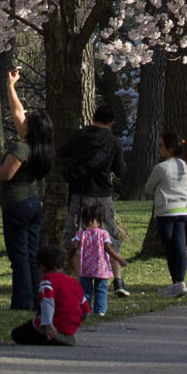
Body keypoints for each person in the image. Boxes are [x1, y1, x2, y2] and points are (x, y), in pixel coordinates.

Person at [0, 71, 55, 310]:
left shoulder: (22, 148)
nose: (22, 120)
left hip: (17, 205)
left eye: (27, 122)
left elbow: (5, 174)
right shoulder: (42, 148)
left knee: (19, 255)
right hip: (33, 204)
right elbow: (17, 112)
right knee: (32, 254)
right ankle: (35, 298)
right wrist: (11, 85)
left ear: (31, 129)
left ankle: (22, 301)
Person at [57, 101, 131, 297]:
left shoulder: (78, 135)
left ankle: (80, 280)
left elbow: (60, 153)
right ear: (111, 123)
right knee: (110, 235)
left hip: (79, 192)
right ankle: (118, 280)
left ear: (94, 118)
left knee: (73, 236)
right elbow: (121, 170)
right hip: (102, 194)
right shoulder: (113, 141)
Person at [143, 130, 187, 298]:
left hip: (165, 212)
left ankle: (176, 283)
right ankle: (181, 281)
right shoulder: (183, 165)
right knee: (180, 247)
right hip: (182, 210)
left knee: (170, 249)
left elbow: (148, 188)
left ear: (170, 149)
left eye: (161, 146)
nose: (158, 148)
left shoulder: (161, 168)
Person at [10, 244, 88, 346]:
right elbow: (86, 309)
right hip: (69, 327)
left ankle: (50, 337)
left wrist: (47, 324)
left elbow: (48, 301)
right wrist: (74, 323)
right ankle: (64, 336)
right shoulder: (74, 282)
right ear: (64, 264)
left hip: (53, 325)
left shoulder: (47, 280)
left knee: (17, 334)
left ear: (41, 266)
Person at [70, 203, 127, 316]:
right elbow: (108, 249)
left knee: (85, 290)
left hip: (85, 268)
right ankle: (100, 310)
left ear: (84, 221)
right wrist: (119, 259)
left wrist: (67, 257)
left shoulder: (81, 233)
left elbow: (74, 247)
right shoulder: (103, 234)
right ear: (99, 221)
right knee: (101, 290)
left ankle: (86, 310)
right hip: (101, 268)